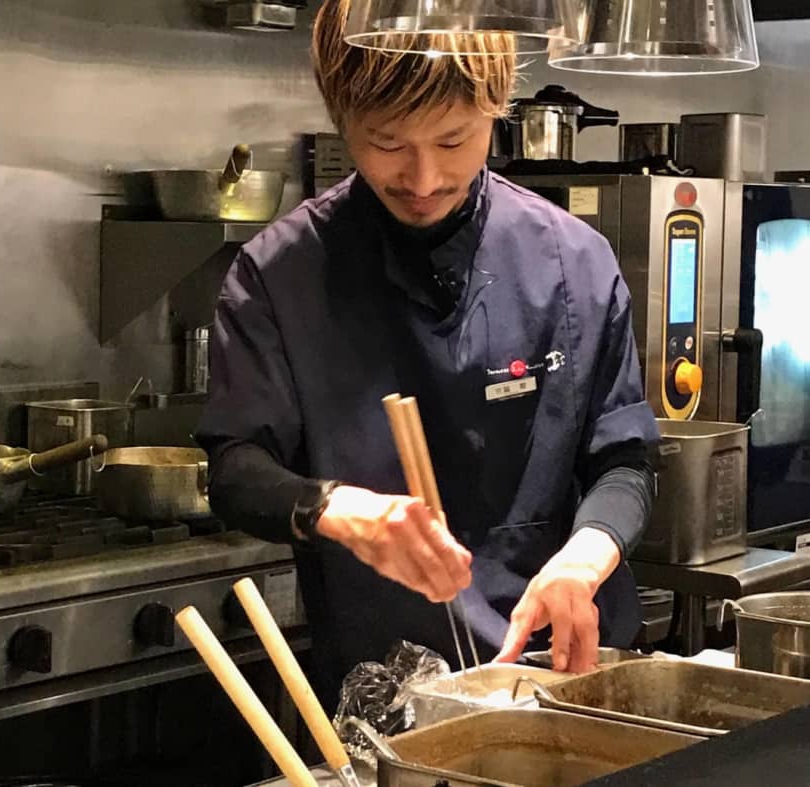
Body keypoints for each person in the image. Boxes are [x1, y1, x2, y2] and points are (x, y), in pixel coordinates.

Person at [197, 0, 658, 710]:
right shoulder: (278, 276)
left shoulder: (573, 263)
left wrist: (586, 555)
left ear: (496, 109)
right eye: (386, 142)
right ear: (342, 118)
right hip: (386, 699)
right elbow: (234, 469)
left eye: (453, 141)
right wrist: (334, 506)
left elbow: (623, 459)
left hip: (566, 682)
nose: (421, 179)